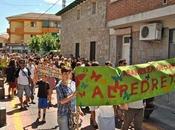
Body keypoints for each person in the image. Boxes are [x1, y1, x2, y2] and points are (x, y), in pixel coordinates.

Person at [118, 59, 144, 130]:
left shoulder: (140, 79)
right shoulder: (123, 77)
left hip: (140, 107)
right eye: (124, 64)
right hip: (130, 107)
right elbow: (120, 88)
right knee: (126, 125)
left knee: (138, 127)